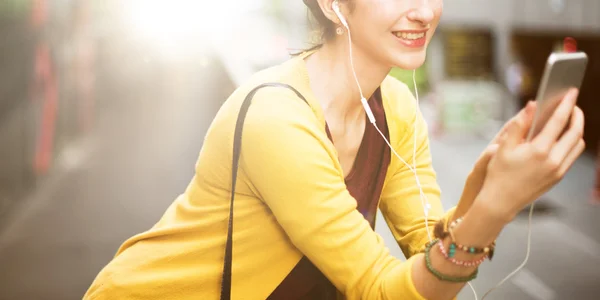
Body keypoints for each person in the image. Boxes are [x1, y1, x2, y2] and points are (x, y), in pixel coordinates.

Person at [83, 0, 586, 299]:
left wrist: (488, 180)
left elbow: (428, 253)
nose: (424, 11)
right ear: (332, 3)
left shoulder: (395, 108)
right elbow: (385, 291)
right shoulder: (276, 118)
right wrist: (496, 207)